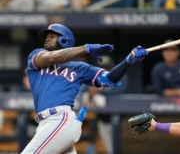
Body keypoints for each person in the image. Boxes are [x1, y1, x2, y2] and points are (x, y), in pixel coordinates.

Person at [21, 23, 148, 154]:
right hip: (45, 124)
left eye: (52, 36)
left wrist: (128, 60)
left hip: (60, 119)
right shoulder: (36, 56)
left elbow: (109, 79)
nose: (47, 39)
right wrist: (86, 48)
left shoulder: (80, 68)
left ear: (64, 40)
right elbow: (53, 57)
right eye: (46, 37)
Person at [80, 55, 129, 154]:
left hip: (117, 114)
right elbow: (83, 91)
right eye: (103, 68)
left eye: (108, 68)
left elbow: (120, 90)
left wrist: (100, 90)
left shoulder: (120, 75)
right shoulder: (94, 76)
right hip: (101, 116)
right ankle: (91, 144)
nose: (105, 70)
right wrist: (91, 92)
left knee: (114, 139)